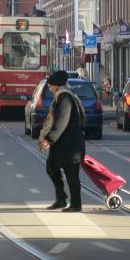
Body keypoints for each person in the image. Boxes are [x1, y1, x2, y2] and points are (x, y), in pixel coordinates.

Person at [39, 70, 87, 212]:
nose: (49, 88)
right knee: (51, 168)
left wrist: (49, 139)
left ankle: (76, 204)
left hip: (70, 145)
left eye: (50, 85)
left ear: (56, 85)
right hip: (63, 144)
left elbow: (62, 121)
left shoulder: (65, 98)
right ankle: (61, 199)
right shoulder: (62, 96)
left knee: (72, 174)